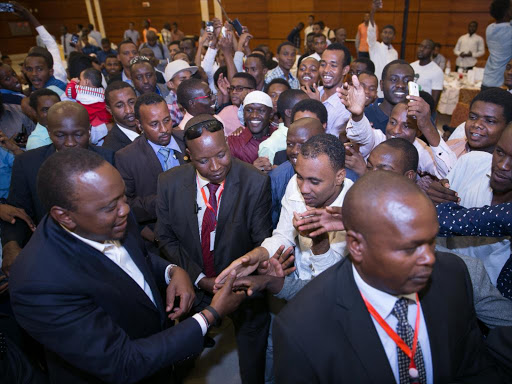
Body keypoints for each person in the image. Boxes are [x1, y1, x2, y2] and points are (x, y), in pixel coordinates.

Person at [9, 147, 246, 383]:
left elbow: (136, 258)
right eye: (110, 207)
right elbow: (123, 363)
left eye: (123, 197)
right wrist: (211, 314)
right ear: (65, 216)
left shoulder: (113, 215)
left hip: (161, 363)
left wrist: (172, 271)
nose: (125, 209)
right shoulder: (38, 282)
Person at [272, 170, 502, 383]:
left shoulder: (453, 274)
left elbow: (472, 366)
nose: (429, 259)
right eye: (409, 248)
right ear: (357, 246)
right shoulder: (302, 328)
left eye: (431, 241)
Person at [155, 115, 272, 384]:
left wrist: (236, 279)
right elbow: (166, 238)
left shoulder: (255, 182)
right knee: (184, 354)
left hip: (242, 285)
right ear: (188, 156)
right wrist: (200, 279)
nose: (216, 166)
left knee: (252, 351)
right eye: (203, 160)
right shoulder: (168, 183)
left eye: (222, 154)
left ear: (228, 145)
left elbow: (260, 242)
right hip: (193, 282)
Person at [1, 102, 114, 276]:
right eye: (60, 135)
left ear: (89, 131)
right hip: (51, 255)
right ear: (48, 132)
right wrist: (11, 244)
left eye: (78, 134)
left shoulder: (108, 160)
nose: (70, 143)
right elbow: (18, 211)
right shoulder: (27, 164)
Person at [342, 74, 455, 179]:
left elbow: (450, 172)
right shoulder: (378, 138)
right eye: (393, 122)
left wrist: (427, 126)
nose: (396, 130)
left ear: (419, 132)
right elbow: (362, 135)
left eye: (406, 126)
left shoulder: (420, 150)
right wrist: (358, 115)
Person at [115, 93, 187, 247]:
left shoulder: (187, 140)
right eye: (154, 124)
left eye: (167, 121)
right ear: (140, 126)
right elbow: (125, 204)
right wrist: (166, 201)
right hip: (161, 235)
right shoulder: (127, 157)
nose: (164, 129)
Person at [269, 118, 326, 227]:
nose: (295, 151)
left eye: (303, 144)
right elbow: (276, 227)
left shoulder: (346, 177)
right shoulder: (277, 177)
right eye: (290, 144)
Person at [308, 43, 351, 137]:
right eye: (323, 64)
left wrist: (316, 107)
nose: (326, 70)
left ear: (345, 70)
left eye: (333, 65)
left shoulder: (347, 105)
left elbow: (330, 143)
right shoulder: (313, 92)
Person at [257, 89, 309, 165]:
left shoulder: (310, 134)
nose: (311, 111)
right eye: (305, 108)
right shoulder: (270, 146)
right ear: (289, 113)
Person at [363, 59, 415, 133]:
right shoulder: (364, 116)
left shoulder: (418, 117)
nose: (400, 85)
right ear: (381, 85)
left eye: (407, 81)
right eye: (394, 79)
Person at [228, 91, 276, 164]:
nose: (254, 115)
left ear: (271, 113)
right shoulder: (233, 143)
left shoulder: (282, 137)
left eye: (261, 111)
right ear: (243, 113)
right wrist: (252, 171)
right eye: (249, 110)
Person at [368, 0, 398, 97]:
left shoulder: (394, 53)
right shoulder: (375, 46)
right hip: (375, 88)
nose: (387, 35)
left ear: (394, 37)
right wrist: (373, 11)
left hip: (389, 88)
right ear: (381, 34)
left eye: (390, 33)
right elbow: (371, 31)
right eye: (385, 32)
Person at [102, 81, 140, 152]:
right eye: (120, 106)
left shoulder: (151, 127)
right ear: (109, 109)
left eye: (131, 102)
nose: (128, 110)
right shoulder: (111, 148)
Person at [482, 0, 512, 89]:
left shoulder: (489, 28)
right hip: (501, 84)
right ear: (507, 12)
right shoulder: (509, 31)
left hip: (487, 79)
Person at [164, 60, 197, 126]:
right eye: (183, 80)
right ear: (170, 84)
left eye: (190, 78)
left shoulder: (195, 95)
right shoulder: (169, 107)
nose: (189, 83)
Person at [411, 39, 444, 105]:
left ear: (432, 51)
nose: (421, 49)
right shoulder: (411, 66)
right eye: (420, 46)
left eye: (426, 47)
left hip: (424, 110)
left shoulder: (437, 71)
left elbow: (435, 101)